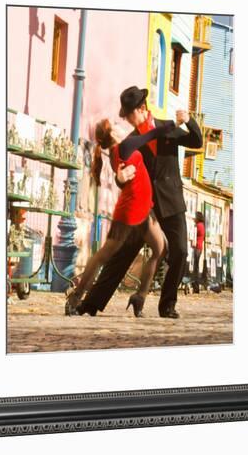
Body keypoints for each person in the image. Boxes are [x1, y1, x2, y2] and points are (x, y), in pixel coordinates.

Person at [80, 85, 203, 318]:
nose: (127, 119)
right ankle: (90, 303)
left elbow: (196, 141)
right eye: (124, 116)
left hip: (172, 200)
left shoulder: (167, 128)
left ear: (142, 108)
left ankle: (167, 305)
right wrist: (119, 179)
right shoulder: (132, 139)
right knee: (123, 255)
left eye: (129, 114)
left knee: (179, 252)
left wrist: (188, 120)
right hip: (145, 207)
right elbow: (122, 172)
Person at [65, 117, 175, 318]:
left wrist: (121, 178)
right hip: (130, 212)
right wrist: (171, 125)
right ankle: (75, 297)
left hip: (143, 209)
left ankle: (139, 296)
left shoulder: (117, 152)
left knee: (160, 249)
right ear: (112, 134)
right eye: (114, 124)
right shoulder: (124, 146)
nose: (118, 124)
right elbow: (152, 134)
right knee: (102, 256)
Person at [191, 211, 205, 294]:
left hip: (197, 247)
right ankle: (196, 286)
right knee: (196, 267)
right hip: (199, 247)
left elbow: (194, 234)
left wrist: (194, 225)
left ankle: (196, 286)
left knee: (196, 267)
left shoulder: (198, 225)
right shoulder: (202, 225)